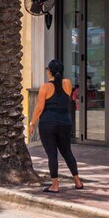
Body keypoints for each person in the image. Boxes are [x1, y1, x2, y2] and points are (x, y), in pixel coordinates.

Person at [31, 59, 82, 192]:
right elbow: (64, 99)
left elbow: (39, 108)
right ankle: (77, 181)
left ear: (49, 71)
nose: (46, 71)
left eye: (47, 69)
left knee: (52, 154)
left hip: (48, 123)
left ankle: (55, 185)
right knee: (67, 152)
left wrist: (32, 123)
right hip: (65, 122)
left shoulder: (45, 87)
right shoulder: (67, 84)